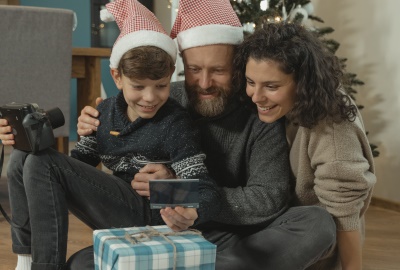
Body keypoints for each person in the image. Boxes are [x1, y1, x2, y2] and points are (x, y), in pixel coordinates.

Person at [70, 0, 337, 269]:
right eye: (195, 70)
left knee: (318, 223)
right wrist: (94, 122)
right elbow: (117, 126)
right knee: (81, 263)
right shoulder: (161, 98)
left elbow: (268, 198)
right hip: (162, 231)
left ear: (237, 67)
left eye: (218, 70)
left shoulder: (259, 114)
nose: (205, 83)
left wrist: (176, 190)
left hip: (233, 239)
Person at [0, 1, 221, 269]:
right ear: (117, 77)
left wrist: (168, 194)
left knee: (41, 162)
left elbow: (206, 190)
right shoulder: (104, 112)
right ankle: (25, 258)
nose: (150, 98)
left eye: (161, 86)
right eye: (138, 86)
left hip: (152, 217)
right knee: (26, 156)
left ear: (170, 75)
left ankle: (45, 266)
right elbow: (78, 168)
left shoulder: (175, 123)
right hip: (115, 208)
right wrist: (24, 140)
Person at [233, 22, 377, 269]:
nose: (256, 96)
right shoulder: (283, 109)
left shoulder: (332, 130)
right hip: (278, 224)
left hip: (312, 246)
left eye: (271, 86)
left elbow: (345, 217)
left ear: (303, 83)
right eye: (250, 82)